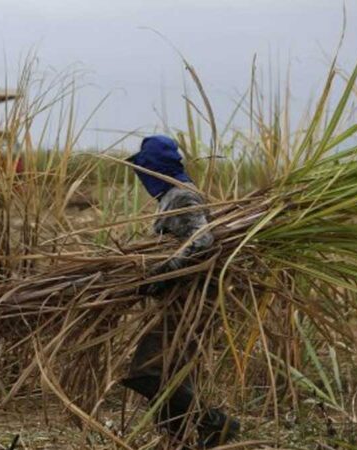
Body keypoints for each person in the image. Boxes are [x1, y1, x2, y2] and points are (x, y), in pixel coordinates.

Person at [122, 135, 239, 447]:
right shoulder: (171, 197)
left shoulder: (184, 197)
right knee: (170, 372)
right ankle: (187, 437)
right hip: (180, 298)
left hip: (190, 299)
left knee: (147, 371)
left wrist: (163, 273)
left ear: (153, 168)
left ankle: (218, 424)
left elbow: (201, 241)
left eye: (143, 168)